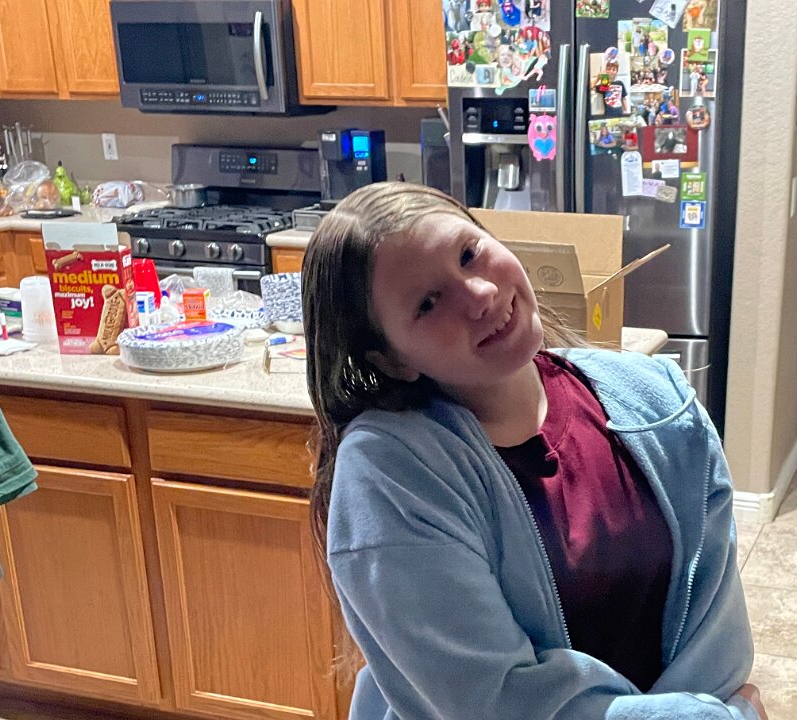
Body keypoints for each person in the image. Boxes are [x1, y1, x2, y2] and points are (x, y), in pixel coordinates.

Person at [302, 183, 766, 720]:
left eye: (468, 254)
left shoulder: (658, 399)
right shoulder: (391, 475)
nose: (479, 294)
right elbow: (496, 701)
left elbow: (717, 632)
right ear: (391, 360)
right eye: (428, 303)